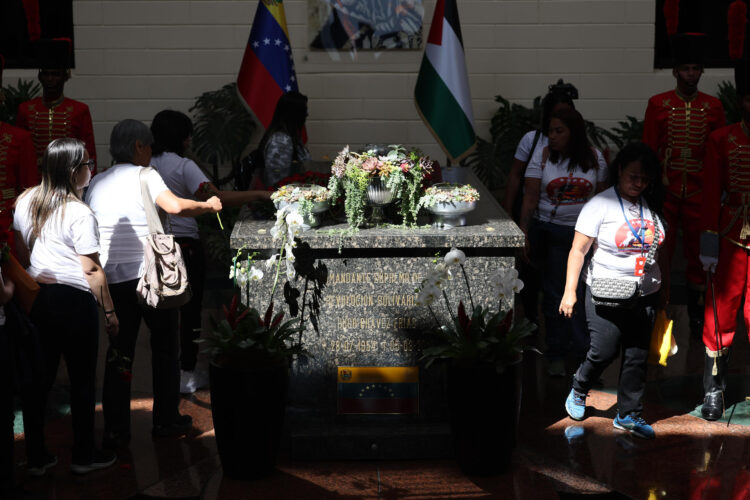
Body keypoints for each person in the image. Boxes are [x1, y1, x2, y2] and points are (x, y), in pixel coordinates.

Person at [84, 119, 221, 449]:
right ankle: (166, 420)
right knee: (164, 349)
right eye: (147, 147)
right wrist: (208, 205)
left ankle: (116, 429)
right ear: (138, 147)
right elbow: (174, 206)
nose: (150, 153)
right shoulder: (146, 175)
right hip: (151, 277)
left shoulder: (97, 181)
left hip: (112, 281)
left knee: (120, 353)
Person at [13, 138, 118, 474]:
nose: (91, 169)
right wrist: (111, 312)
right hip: (74, 301)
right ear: (76, 172)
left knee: (38, 381)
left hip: (37, 297)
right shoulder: (79, 211)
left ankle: (37, 456)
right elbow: (90, 269)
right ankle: (85, 456)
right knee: (82, 380)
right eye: (88, 164)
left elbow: (22, 251)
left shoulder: (26, 199)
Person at [149, 109, 270, 394]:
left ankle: (163, 373)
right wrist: (259, 194)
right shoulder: (183, 166)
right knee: (190, 312)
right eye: (188, 135)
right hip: (185, 246)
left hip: (154, 245)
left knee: (160, 314)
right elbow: (217, 197)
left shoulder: (146, 165)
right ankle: (187, 373)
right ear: (183, 138)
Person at [560, 142, 666, 440]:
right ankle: (580, 386)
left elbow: (662, 252)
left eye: (644, 179)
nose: (638, 184)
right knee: (603, 350)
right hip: (605, 290)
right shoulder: (599, 205)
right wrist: (569, 292)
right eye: (633, 176)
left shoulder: (652, 204)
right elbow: (578, 251)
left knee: (636, 355)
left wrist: (664, 289)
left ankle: (628, 413)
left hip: (645, 293)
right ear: (619, 170)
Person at [642, 33, 724, 334]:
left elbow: (717, 154)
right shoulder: (658, 103)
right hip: (666, 191)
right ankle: (657, 308)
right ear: (676, 71)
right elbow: (649, 148)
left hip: (700, 193)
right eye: (686, 69)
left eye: (696, 69)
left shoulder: (713, 107)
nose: (691, 74)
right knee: (659, 250)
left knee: (698, 254)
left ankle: (696, 315)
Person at [519, 108, 607, 376]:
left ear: (574, 132)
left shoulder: (595, 157)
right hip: (553, 232)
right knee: (556, 294)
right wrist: (523, 232)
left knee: (585, 295)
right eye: (550, 131)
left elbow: (604, 198)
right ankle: (556, 352)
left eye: (559, 131)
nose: (552, 137)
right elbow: (531, 197)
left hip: (588, 235)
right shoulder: (543, 155)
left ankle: (584, 356)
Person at [698, 61, 750, 421]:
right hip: (731, 236)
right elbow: (710, 194)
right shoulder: (722, 139)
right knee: (720, 318)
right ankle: (714, 389)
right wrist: (709, 248)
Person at [16, 38, 98, 174]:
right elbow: (20, 152)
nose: (50, 79)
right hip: (35, 180)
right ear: (40, 76)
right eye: (46, 74)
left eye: (55, 74)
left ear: (65, 77)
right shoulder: (25, 110)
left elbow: (89, 153)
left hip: (69, 179)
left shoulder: (79, 110)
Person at [257, 91, 311, 187]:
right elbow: (277, 182)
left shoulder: (291, 137)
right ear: (295, 114)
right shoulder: (281, 141)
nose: (307, 115)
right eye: (304, 111)